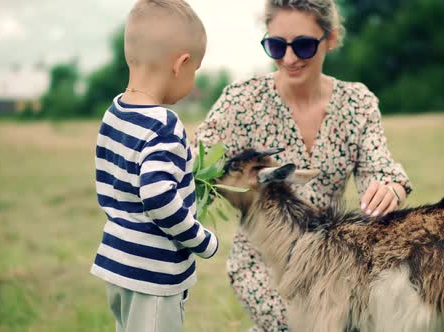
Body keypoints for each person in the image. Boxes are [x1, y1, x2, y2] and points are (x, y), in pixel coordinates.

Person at [195, 1, 412, 330]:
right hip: (263, 267)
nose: (290, 59)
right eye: (276, 46)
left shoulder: (357, 103)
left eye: (304, 45)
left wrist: (390, 187)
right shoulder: (241, 101)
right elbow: (197, 164)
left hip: (336, 270)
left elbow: (378, 171)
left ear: (331, 39)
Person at [90, 1, 218, 331]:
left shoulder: (115, 112)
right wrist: (201, 240)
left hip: (118, 264)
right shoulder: (164, 125)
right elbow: (159, 198)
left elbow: (120, 178)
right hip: (154, 274)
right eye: (196, 70)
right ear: (181, 64)